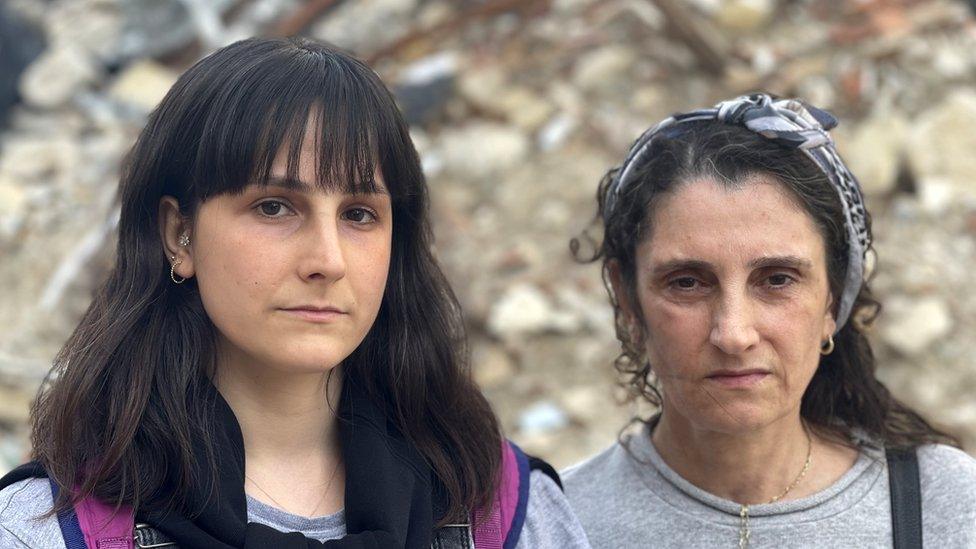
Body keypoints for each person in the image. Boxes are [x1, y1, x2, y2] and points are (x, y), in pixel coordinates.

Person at [0, 37, 590, 549]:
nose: (328, 261)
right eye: (274, 207)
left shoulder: (505, 513)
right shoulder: (45, 531)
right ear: (179, 233)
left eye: (359, 214)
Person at [562, 93, 976, 548]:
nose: (734, 334)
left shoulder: (940, 505)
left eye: (777, 279)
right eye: (687, 283)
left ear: (832, 300)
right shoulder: (555, 524)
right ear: (628, 299)